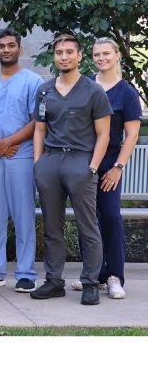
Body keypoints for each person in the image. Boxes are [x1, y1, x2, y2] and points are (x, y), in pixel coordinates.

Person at [30, 34, 111, 305]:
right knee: (52, 227)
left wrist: (92, 168)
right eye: (59, 53)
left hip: (81, 162)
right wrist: (38, 164)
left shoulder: (93, 91)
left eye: (69, 52)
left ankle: (90, 282)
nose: (63, 57)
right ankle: (54, 281)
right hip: (50, 163)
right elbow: (39, 129)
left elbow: (104, 135)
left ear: (79, 56)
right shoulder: (45, 90)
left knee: (87, 226)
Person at [66, 37, 142, 299]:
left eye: (106, 53)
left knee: (109, 216)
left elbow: (131, 135)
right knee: (87, 220)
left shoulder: (126, 92)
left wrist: (118, 167)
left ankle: (114, 276)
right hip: (83, 163)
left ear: (117, 55)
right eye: (97, 54)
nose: (101, 58)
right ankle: (93, 275)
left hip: (110, 165)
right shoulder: (85, 85)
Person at [0, 28, 42, 294]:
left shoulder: (33, 82)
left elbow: (37, 121)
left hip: (21, 156)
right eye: (1, 46)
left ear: (20, 49)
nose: (6, 50)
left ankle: (25, 273)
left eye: (11, 45)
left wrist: (9, 142)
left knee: (24, 215)